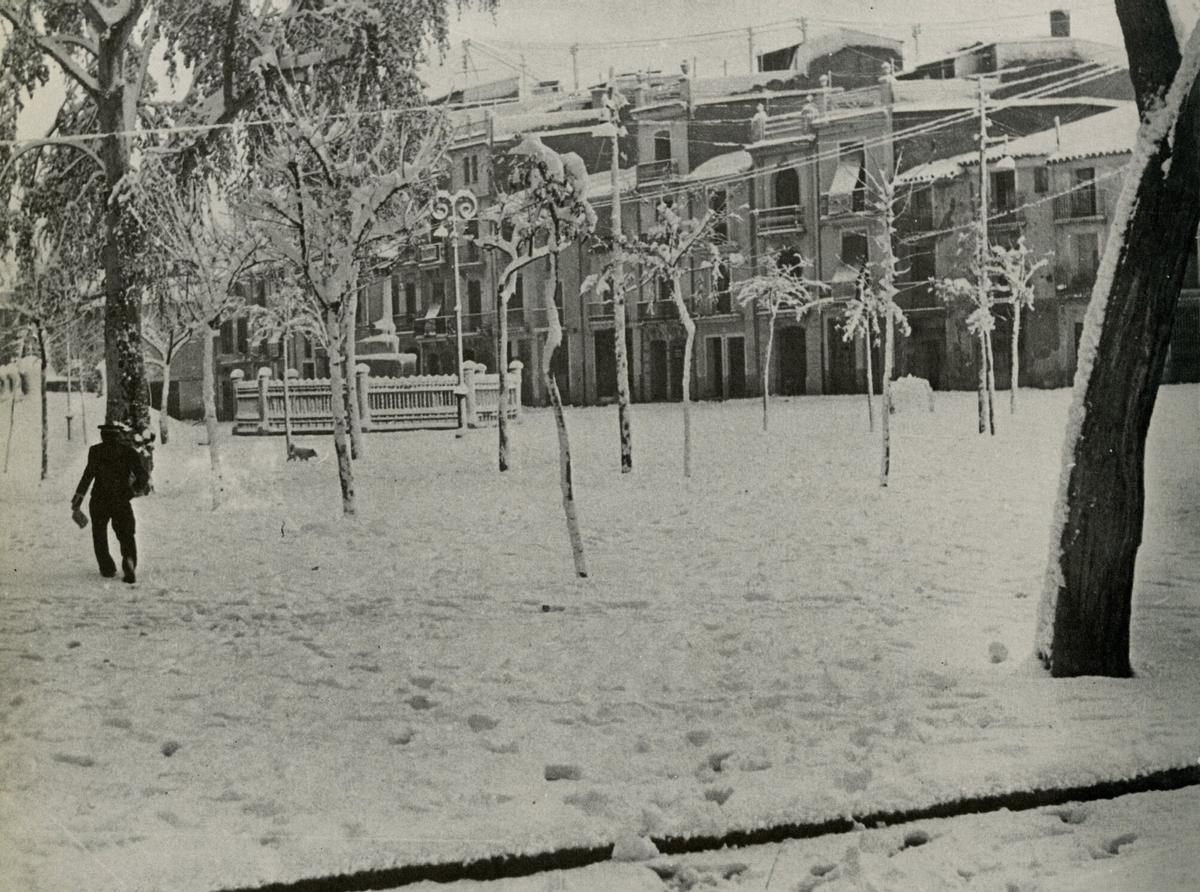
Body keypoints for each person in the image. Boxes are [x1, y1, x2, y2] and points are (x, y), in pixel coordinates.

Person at [71, 421, 147, 584]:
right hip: (121, 500)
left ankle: (106, 568)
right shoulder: (128, 452)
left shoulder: (95, 451)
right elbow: (143, 477)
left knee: (99, 535)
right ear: (118, 435)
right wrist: (131, 491)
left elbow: (87, 476)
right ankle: (129, 560)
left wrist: (77, 501)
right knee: (126, 533)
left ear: (103, 436)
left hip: (99, 500)